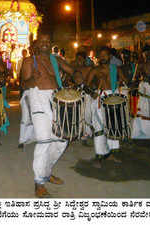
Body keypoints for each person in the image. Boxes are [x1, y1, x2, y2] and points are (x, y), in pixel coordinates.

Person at [21, 32, 83, 197]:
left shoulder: (56, 60)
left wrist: (77, 76)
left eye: (48, 41)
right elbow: (23, 83)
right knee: (44, 140)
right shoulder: (29, 61)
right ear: (36, 45)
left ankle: (46, 171)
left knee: (62, 139)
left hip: (56, 100)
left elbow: (73, 70)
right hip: (38, 100)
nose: (45, 43)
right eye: (42, 41)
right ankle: (39, 182)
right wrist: (31, 80)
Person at [85, 46, 126, 168]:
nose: (103, 57)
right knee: (99, 127)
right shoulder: (95, 70)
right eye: (100, 55)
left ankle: (112, 153)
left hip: (113, 98)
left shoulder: (116, 69)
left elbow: (125, 81)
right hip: (100, 98)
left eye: (105, 55)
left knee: (112, 126)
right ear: (98, 57)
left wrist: (121, 82)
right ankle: (99, 154)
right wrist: (92, 93)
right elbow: (85, 85)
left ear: (110, 56)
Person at [131, 45, 150, 139]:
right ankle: (143, 131)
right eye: (145, 52)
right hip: (144, 88)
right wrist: (135, 84)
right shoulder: (140, 65)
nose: (147, 54)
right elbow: (134, 78)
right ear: (143, 54)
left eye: (149, 52)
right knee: (144, 108)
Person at [18, 48, 35, 149]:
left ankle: (31, 137)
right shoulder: (26, 61)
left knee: (35, 117)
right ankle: (22, 140)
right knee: (26, 117)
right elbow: (23, 80)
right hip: (28, 92)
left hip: (38, 94)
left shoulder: (44, 60)